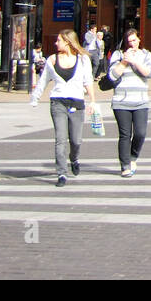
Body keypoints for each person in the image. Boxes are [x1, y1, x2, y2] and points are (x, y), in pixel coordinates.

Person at [29, 30, 98, 188]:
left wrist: (92, 101)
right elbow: (44, 80)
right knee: (60, 139)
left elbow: (88, 81)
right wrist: (35, 97)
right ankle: (61, 172)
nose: (56, 43)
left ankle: (74, 159)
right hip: (58, 102)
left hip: (76, 103)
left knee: (76, 140)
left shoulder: (82, 60)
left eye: (59, 40)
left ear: (67, 41)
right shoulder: (52, 60)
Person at [107, 28, 151, 177]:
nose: (132, 44)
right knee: (125, 135)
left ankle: (133, 157)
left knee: (140, 133)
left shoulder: (147, 55)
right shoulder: (118, 55)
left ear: (139, 39)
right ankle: (125, 165)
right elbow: (112, 76)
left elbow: (150, 74)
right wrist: (124, 62)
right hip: (121, 101)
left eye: (134, 40)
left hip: (140, 101)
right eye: (129, 42)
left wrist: (135, 62)